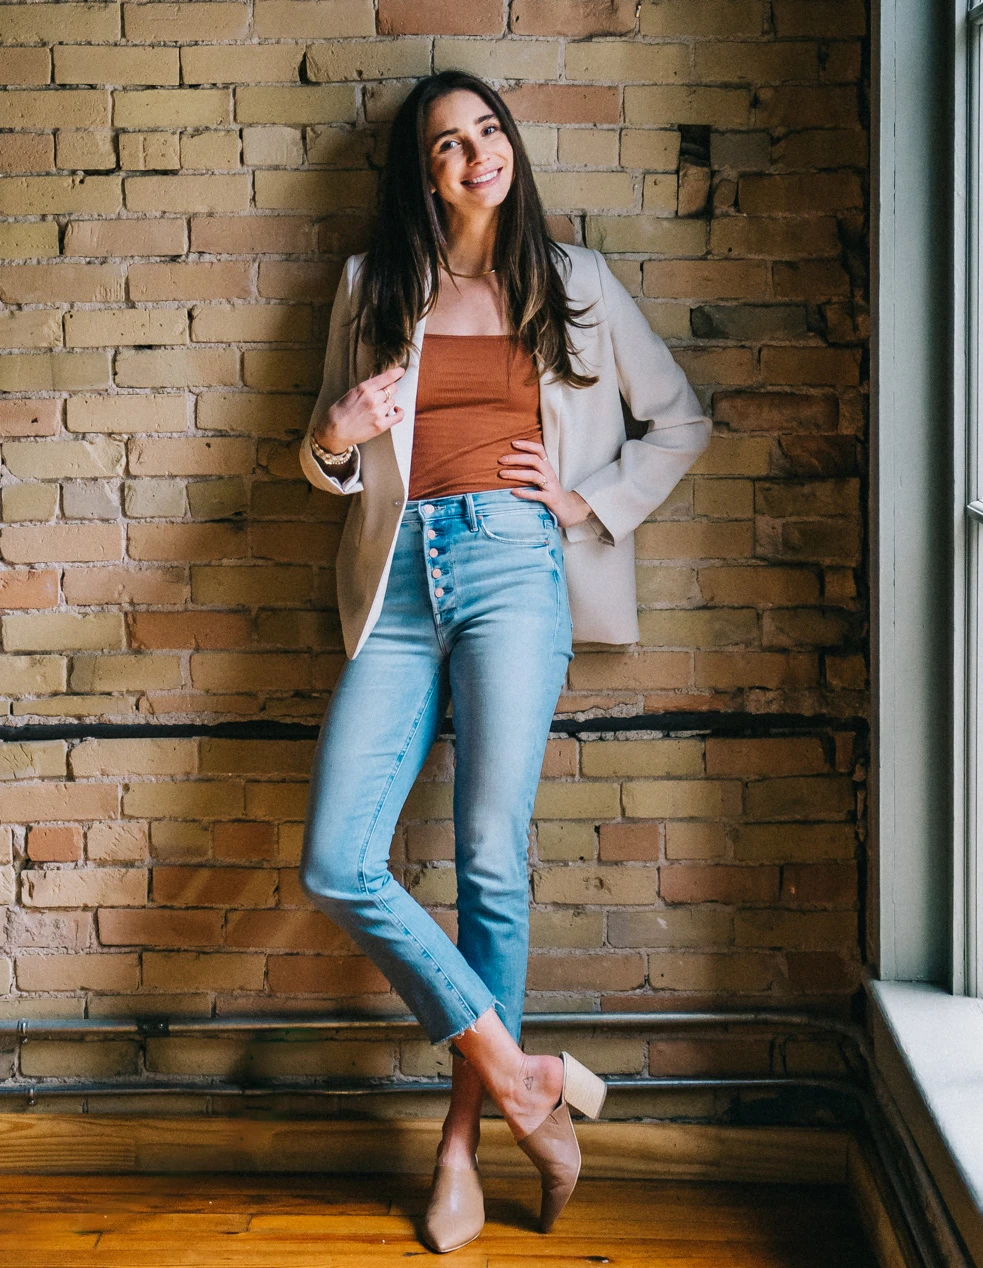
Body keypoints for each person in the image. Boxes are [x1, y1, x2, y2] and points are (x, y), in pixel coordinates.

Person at [297, 70, 712, 1254]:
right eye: (445, 144)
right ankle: (527, 1078)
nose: (475, 153)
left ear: (510, 146)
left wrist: (585, 501)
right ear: (419, 174)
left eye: (487, 131)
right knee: (336, 859)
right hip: (396, 583)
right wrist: (331, 436)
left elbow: (679, 419)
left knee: (489, 859)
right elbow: (319, 451)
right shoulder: (372, 288)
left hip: (512, 569)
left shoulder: (572, 282)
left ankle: (461, 1149)